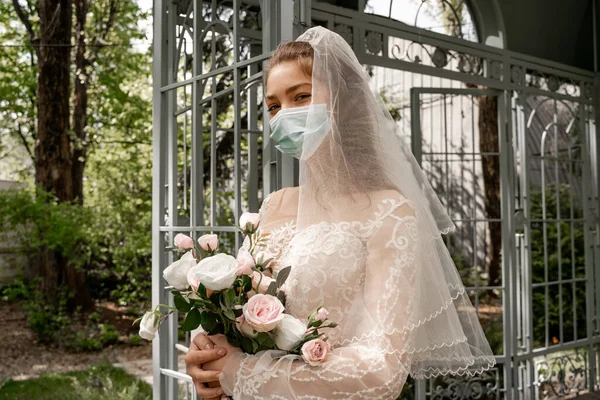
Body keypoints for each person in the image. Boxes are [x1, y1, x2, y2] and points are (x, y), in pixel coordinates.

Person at [184, 26, 496, 400]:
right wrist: (208, 355)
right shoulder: (276, 203)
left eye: (301, 96)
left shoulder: (390, 213)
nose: (284, 115)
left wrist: (240, 372)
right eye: (273, 106)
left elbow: (382, 372)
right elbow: (236, 313)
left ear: (342, 105)